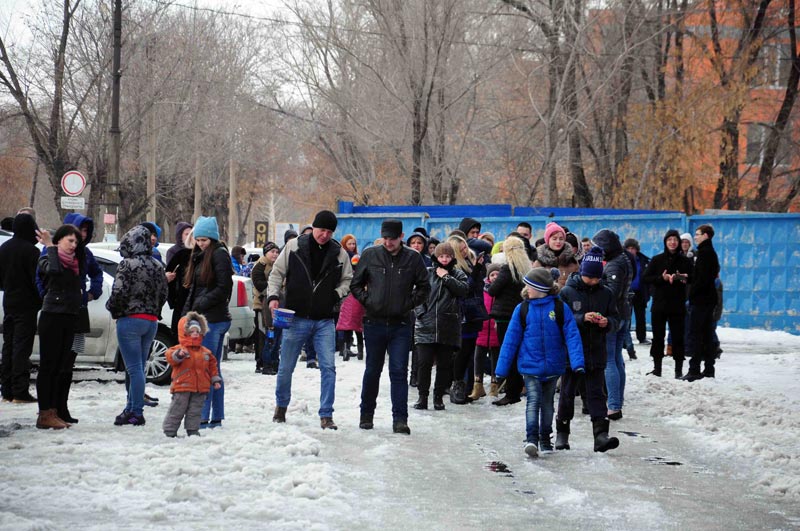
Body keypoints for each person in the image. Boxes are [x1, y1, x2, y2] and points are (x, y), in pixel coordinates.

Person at [267, 210, 352, 430]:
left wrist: (336, 295)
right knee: (286, 366)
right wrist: (274, 296)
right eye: (321, 229)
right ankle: (281, 407)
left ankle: (326, 414)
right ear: (313, 227)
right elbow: (276, 273)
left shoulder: (339, 253)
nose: (324, 234)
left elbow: (348, 280)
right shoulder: (295, 246)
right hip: (296, 317)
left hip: (324, 320)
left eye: (329, 231)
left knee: (328, 368)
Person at [351, 219, 430, 435]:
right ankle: (366, 415)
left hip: (400, 324)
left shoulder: (412, 258)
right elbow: (355, 284)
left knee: (398, 372)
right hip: (374, 322)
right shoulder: (370, 254)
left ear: (401, 237)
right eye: (385, 238)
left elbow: (425, 286)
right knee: (372, 371)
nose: (388, 242)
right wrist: (368, 300)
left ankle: (400, 419)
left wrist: (408, 303)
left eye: (392, 239)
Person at [496, 268, 584, 458]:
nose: (526, 288)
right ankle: (531, 439)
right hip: (530, 366)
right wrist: (501, 370)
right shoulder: (522, 309)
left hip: (553, 366)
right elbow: (510, 340)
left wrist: (577, 363)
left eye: (529, 285)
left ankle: (545, 438)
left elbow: (572, 336)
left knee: (547, 404)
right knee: (533, 401)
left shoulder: (560, 308)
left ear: (540, 288)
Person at [557, 247, 621, 453]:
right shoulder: (567, 292)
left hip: (596, 351)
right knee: (567, 393)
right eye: (589, 277)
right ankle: (562, 433)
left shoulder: (606, 293)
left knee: (596, 394)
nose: (592, 280)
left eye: (596, 277)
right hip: (572, 353)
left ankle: (600, 435)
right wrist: (581, 318)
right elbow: (559, 321)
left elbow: (616, 319)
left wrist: (606, 322)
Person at [107, 225, 169, 426]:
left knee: (134, 369)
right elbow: (163, 293)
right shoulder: (158, 265)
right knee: (139, 367)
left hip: (130, 320)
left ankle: (136, 412)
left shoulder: (127, 264)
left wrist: (114, 311)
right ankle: (131, 407)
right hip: (151, 322)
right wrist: (155, 311)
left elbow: (118, 292)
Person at [182, 216, 233, 428]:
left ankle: (203, 417)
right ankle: (215, 416)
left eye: (204, 240)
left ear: (212, 238)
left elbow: (223, 288)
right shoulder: (201, 256)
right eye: (198, 239)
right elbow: (195, 288)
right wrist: (188, 312)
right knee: (213, 370)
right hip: (206, 318)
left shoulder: (219, 255)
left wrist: (200, 305)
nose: (200, 243)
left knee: (206, 369)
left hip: (214, 319)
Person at [54, 213, 104, 422]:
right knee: (55, 363)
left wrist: (93, 292)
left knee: (70, 362)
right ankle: (51, 409)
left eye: (85, 231)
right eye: (79, 230)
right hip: (58, 313)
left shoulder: (87, 254)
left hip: (79, 313)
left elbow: (97, 273)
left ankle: (63, 408)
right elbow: (41, 279)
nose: (82, 235)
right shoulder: (54, 254)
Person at [34, 225, 84, 429]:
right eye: (70, 241)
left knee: (60, 367)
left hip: (68, 317)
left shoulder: (74, 263)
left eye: (76, 242)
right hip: (52, 316)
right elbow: (53, 271)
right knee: (48, 366)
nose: (73, 246)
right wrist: (49, 246)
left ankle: (53, 411)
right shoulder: (47, 258)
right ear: (58, 241)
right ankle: (44, 413)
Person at [413, 242, 468, 411]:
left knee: (444, 365)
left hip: (448, 326)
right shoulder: (427, 273)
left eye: (448, 256)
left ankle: (438, 397)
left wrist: (446, 277)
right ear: (435, 257)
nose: (444, 259)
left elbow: (463, 290)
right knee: (424, 363)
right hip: (426, 325)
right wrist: (421, 313)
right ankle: (422, 397)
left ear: (453, 257)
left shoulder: (458, 274)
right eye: (441, 256)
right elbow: (416, 294)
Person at [0, 213, 42, 403]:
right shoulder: (31, 252)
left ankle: (7, 390)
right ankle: (20, 391)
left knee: (8, 346)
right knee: (22, 349)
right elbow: (37, 281)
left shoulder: (4, 248)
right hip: (27, 306)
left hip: (9, 302)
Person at [592, 229, 633, 421]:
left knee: (610, 360)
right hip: (623, 313)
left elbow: (612, 292)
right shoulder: (622, 258)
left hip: (614, 316)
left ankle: (614, 405)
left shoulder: (615, 264)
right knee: (616, 359)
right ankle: (617, 402)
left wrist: (597, 284)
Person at [162, 312, 222, 437]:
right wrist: (178, 355)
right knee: (177, 409)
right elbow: (170, 357)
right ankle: (170, 430)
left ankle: (193, 430)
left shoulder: (206, 352)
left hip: (200, 388)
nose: (195, 334)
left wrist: (215, 380)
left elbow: (212, 367)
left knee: (195, 411)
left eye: (197, 331)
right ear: (185, 333)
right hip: (182, 386)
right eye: (192, 331)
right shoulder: (179, 349)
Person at [643, 230, 693, 379]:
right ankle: (657, 368)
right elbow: (646, 277)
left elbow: (694, 277)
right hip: (659, 304)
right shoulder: (657, 259)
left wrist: (682, 277)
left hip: (677, 305)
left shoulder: (685, 261)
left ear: (679, 242)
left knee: (678, 337)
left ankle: (678, 370)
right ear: (665, 242)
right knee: (658, 337)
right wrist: (661, 278)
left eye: (675, 240)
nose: (672, 242)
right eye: (669, 239)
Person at [487, 236, 530, 406]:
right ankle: (519, 387)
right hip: (522, 314)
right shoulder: (526, 269)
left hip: (505, 317)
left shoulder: (507, 269)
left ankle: (512, 392)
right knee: (519, 352)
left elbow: (492, 290)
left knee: (509, 353)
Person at [447, 234, 486, 404]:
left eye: (465, 247)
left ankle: (467, 387)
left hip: (474, 313)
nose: (465, 251)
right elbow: (465, 289)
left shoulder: (469, 263)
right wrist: (477, 270)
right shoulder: (454, 268)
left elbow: (478, 285)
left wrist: (479, 268)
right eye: (461, 249)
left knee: (469, 352)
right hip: (463, 315)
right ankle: (456, 386)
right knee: (462, 353)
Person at [683, 224, 720, 381]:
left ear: (706, 235)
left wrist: (692, 293)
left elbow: (702, 279)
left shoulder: (705, 253)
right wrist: (688, 277)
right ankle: (709, 368)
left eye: (698, 234)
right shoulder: (709, 253)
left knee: (696, 335)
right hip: (707, 300)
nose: (695, 237)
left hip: (701, 301)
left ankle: (694, 369)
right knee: (706, 334)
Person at [470, 262, 502, 399]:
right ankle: (478, 385)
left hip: (495, 329)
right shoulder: (482, 289)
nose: (495, 277)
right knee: (478, 357)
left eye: (497, 274)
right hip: (482, 328)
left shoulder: (502, 289)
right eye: (492, 274)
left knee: (496, 356)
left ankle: (495, 385)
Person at [251, 242, 281, 373]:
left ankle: (272, 361)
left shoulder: (278, 266)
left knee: (274, 335)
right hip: (261, 305)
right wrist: (274, 291)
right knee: (263, 335)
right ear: (265, 253)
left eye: (276, 252)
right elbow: (259, 284)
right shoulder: (260, 266)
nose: (275, 254)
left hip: (275, 306)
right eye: (272, 251)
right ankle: (261, 362)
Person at [337, 234, 365, 361]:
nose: (352, 246)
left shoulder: (356, 257)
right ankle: (348, 349)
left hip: (353, 296)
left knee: (352, 324)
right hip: (348, 295)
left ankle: (349, 349)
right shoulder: (343, 257)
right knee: (351, 325)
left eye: (354, 244)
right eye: (349, 244)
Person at [624, 238, 651, 354]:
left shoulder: (643, 260)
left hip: (640, 291)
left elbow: (647, 276)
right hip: (627, 291)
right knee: (626, 316)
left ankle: (642, 336)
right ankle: (626, 339)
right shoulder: (623, 260)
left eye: (633, 248)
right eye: (628, 248)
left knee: (641, 316)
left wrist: (648, 292)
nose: (631, 251)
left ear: (637, 249)